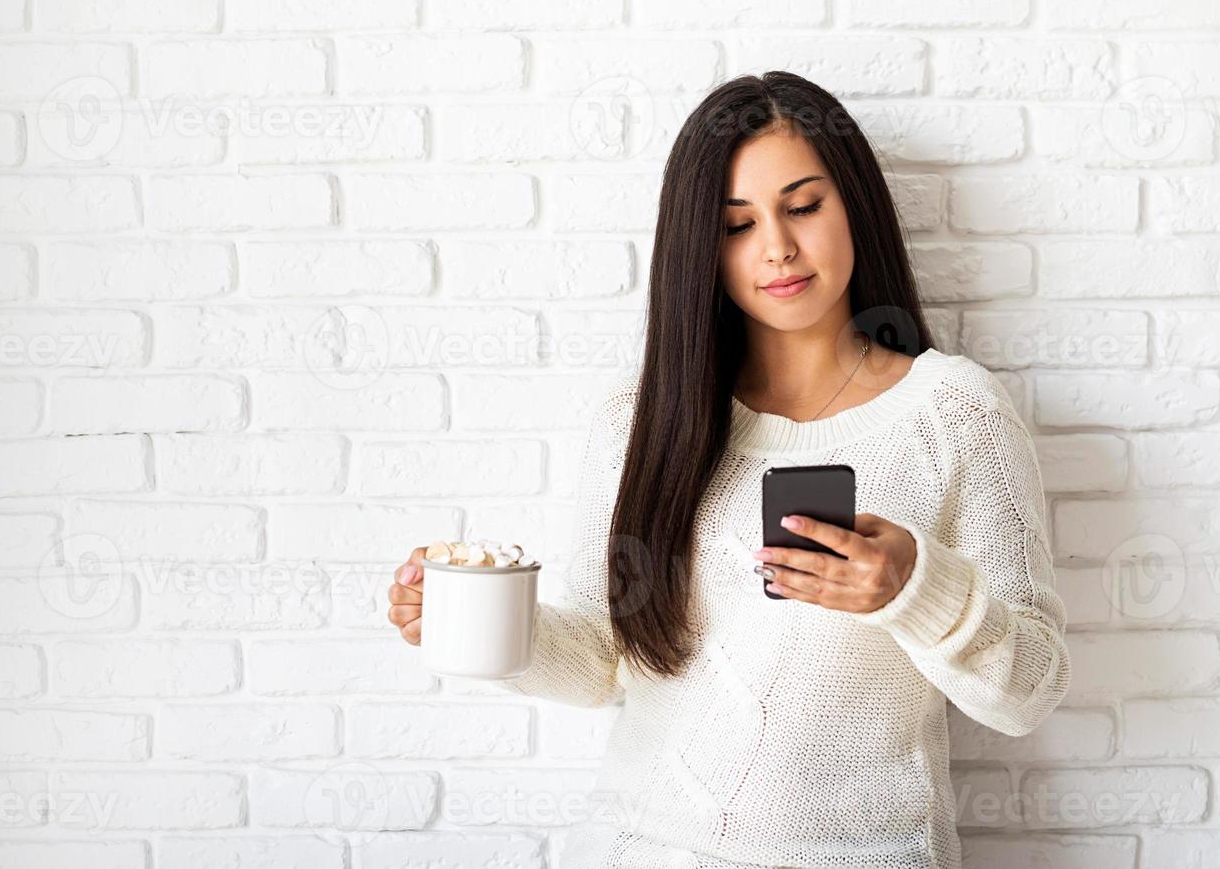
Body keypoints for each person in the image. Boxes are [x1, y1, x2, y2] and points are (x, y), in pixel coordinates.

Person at [388, 70, 1071, 868]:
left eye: (803, 206)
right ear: (701, 248)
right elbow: (603, 662)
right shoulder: (640, 420)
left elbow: (1029, 691)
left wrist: (915, 590)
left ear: (855, 203)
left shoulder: (954, 413)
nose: (776, 246)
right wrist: (480, 622)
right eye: (736, 224)